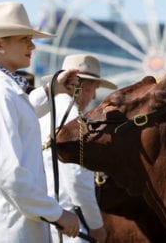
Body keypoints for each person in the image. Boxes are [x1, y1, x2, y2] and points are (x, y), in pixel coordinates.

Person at [0, 1, 80, 243]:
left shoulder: (1, 90)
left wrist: (51, 90)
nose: (32, 45)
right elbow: (8, 175)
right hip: (9, 233)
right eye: (24, 38)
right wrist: (58, 214)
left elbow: (20, 114)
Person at [35, 54, 117, 243]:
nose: (95, 96)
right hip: (70, 224)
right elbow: (78, 178)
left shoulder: (41, 112)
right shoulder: (72, 117)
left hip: (44, 219)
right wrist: (96, 225)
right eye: (93, 88)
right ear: (77, 86)